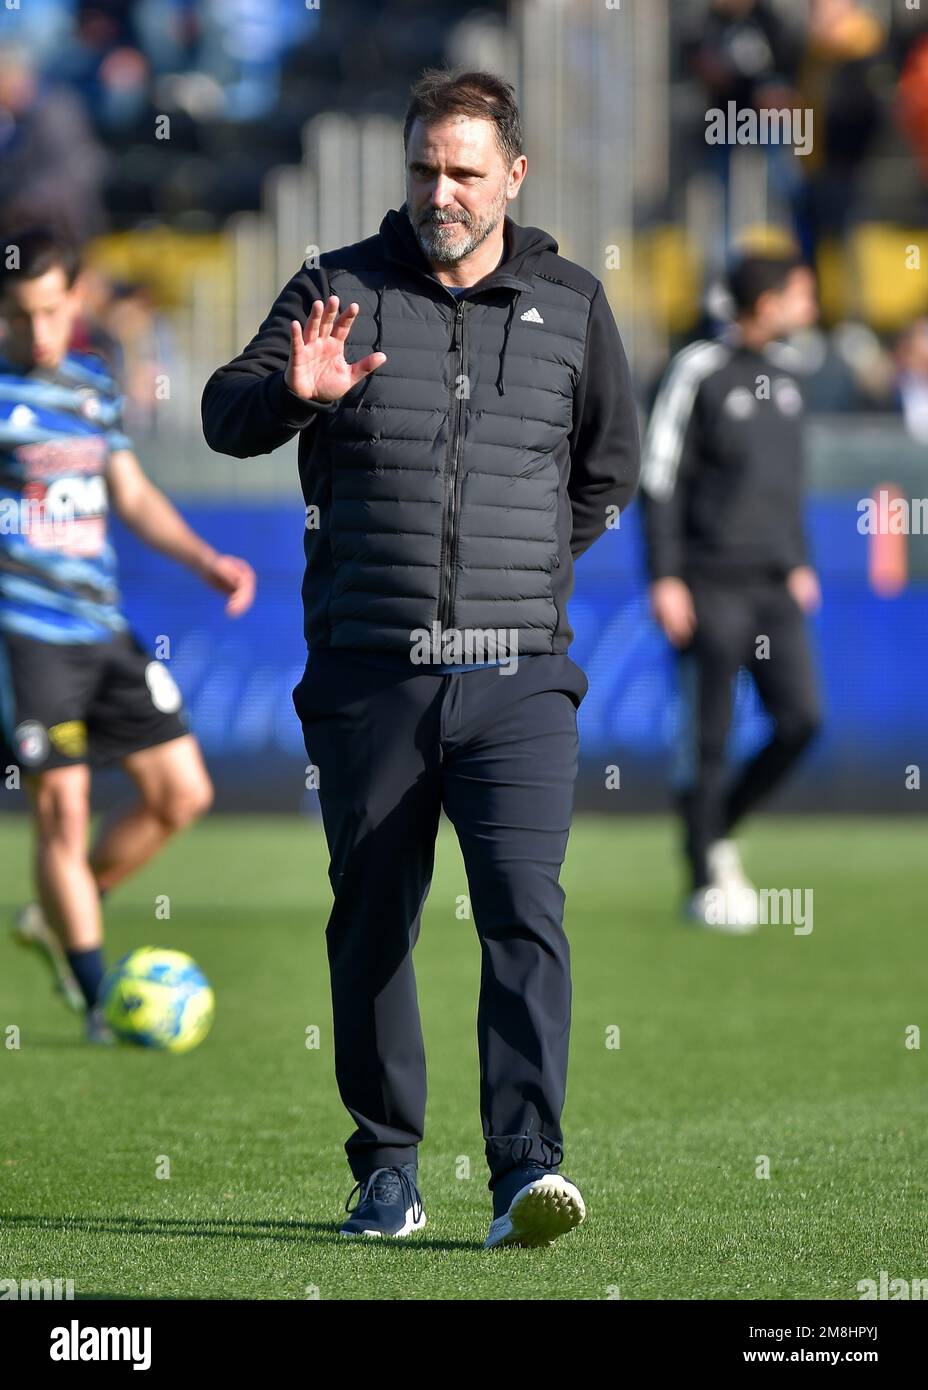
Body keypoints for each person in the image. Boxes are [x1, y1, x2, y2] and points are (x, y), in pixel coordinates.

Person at [202, 68, 640, 1248]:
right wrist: (293, 397)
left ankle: (523, 1170)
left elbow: (607, 471)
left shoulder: (570, 299)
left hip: (520, 679)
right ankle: (386, 1173)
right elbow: (222, 411)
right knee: (372, 921)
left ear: (512, 174)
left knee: (522, 913)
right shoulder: (334, 286)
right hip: (369, 674)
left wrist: (531, 575)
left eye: (462, 169)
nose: (439, 191)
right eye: (422, 169)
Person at [0, 228, 256, 1038]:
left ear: (74, 301)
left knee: (183, 794)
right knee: (64, 812)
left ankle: (58, 912)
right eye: (18, 316)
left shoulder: (89, 388)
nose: (36, 332)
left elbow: (133, 496)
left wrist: (204, 559)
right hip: (27, 635)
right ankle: (92, 995)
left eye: (48, 312)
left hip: (103, 630)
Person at [639, 252, 822, 931]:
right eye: (802, 294)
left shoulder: (791, 376)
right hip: (708, 583)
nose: (812, 306)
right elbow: (658, 479)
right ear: (767, 302)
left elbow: (784, 488)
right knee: (708, 736)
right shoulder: (697, 371)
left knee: (801, 719)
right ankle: (703, 873)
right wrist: (665, 576)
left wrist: (799, 562)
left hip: (774, 585)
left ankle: (715, 833)